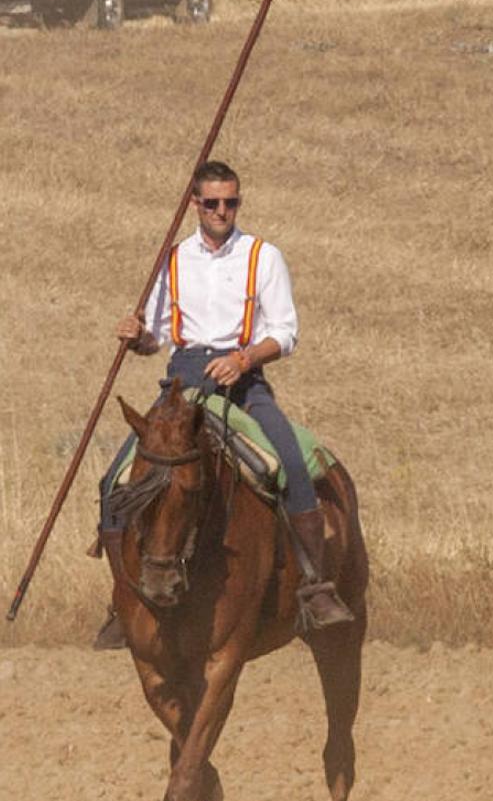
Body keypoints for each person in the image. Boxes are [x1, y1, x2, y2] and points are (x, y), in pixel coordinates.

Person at [94, 160, 355, 645]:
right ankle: (122, 600)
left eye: (230, 202)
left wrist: (245, 357)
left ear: (238, 202)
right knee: (115, 481)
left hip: (244, 384)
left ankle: (316, 587)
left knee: (289, 460)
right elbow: (157, 335)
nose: (221, 211)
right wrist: (136, 337)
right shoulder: (171, 259)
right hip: (182, 386)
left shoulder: (262, 256)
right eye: (211, 202)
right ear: (195, 203)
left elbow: (285, 332)